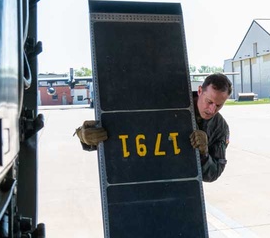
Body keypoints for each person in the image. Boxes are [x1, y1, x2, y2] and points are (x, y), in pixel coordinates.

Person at [75, 72, 232, 182]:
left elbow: (214, 173)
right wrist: (86, 137)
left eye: (219, 105)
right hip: (146, 179)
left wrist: (203, 153)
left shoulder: (219, 128)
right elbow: (129, 123)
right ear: (200, 91)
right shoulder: (170, 103)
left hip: (182, 188)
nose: (212, 110)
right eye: (209, 102)